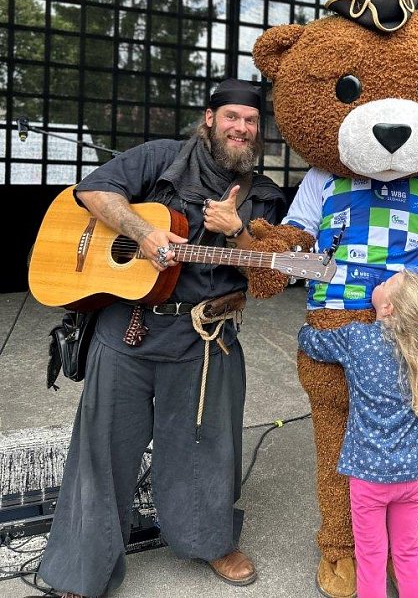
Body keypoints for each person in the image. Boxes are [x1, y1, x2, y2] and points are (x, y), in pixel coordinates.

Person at [38, 78, 287, 597]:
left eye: (251, 121)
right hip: (126, 330)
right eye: (231, 117)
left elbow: (270, 279)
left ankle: (210, 540)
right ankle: (83, 568)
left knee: (205, 448)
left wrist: (236, 231)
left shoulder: (263, 197)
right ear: (209, 119)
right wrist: (141, 232)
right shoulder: (159, 158)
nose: (241, 128)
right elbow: (92, 191)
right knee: (103, 451)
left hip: (205, 337)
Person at [298, 269, 418, 598]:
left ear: (387, 307)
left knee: (371, 557)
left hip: (367, 479)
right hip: (411, 478)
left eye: (388, 283)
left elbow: (312, 342)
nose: (384, 277)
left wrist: (306, 324)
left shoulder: (357, 338)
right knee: (408, 554)